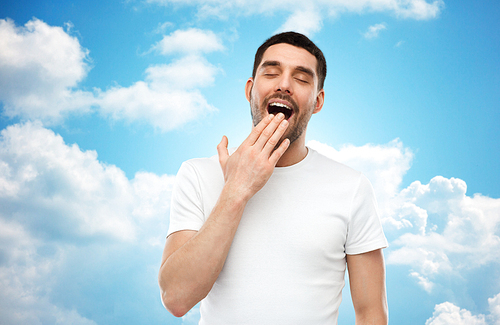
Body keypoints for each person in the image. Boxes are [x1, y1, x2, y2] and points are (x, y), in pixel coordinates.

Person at [158, 31, 389, 325]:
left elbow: (371, 313)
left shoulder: (352, 187)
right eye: (271, 72)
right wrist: (236, 190)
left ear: (317, 102)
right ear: (250, 89)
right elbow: (176, 298)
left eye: (302, 78)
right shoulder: (198, 174)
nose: (284, 84)